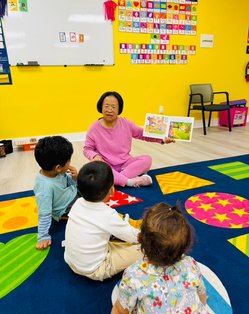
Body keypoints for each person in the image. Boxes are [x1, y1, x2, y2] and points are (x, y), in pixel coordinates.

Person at [112, 202, 208, 314]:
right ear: (185, 246)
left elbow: (120, 310)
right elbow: (202, 297)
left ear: (140, 239)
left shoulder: (133, 274)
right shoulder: (191, 264)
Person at [64, 160, 143, 281]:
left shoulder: (77, 203)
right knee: (143, 249)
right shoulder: (108, 215)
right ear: (112, 190)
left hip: (71, 261)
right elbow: (133, 237)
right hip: (95, 269)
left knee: (114, 237)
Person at [83, 91, 175, 188]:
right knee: (98, 166)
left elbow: (143, 134)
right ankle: (131, 181)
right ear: (101, 107)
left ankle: (114, 179)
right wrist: (95, 156)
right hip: (106, 165)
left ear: (119, 109)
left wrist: (161, 139)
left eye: (113, 107)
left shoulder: (126, 123)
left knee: (147, 159)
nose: (109, 110)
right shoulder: (94, 128)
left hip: (125, 164)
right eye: (106, 106)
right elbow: (87, 149)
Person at [34, 136, 78, 250]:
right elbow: (44, 213)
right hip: (65, 208)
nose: (70, 163)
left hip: (72, 194)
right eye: (69, 160)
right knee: (94, 199)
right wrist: (43, 236)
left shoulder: (55, 172)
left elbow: (67, 183)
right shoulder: (44, 188)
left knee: (91, 181)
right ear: (58, 167)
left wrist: (74, 178)